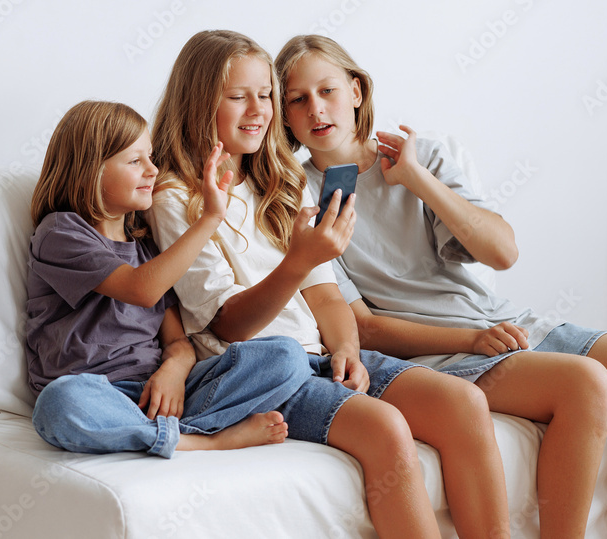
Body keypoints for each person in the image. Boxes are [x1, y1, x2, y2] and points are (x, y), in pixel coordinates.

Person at [276, 33, 607, 538]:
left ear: (358, 91)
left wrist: (417, 179)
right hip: (444, 353)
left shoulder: (420, 155)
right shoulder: (297, 198)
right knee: (585, 383)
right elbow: (363, 326)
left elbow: (503, 253)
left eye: (327, 91)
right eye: (297, 100)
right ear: (286, 117)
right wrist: (471, 340)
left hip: (502, 322)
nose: (316, 110)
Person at [147, 30, 512, 539]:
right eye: (237, 97)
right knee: (385, 428)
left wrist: (347, 349)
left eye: (266, 95)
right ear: (196, 104)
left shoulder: (279, 183)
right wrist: (297, 262)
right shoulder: (175, 198)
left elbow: (327, 296)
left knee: (464, 403)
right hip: (263, 369)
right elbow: (229, 324)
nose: (258, 109)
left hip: (320, 355)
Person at [25, 100, 313, 460]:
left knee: (287, 356)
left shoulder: (147, 247)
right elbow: (141, 290)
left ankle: (153, 431)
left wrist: (174, 369)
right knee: (59, 403)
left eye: (150, 157)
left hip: (157, 392)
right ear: (90, 170)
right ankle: (205, 440)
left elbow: (177, 341)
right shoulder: (62, 232)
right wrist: (208, 218)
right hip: (95, 392)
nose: (153, 170)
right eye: (135, 161)